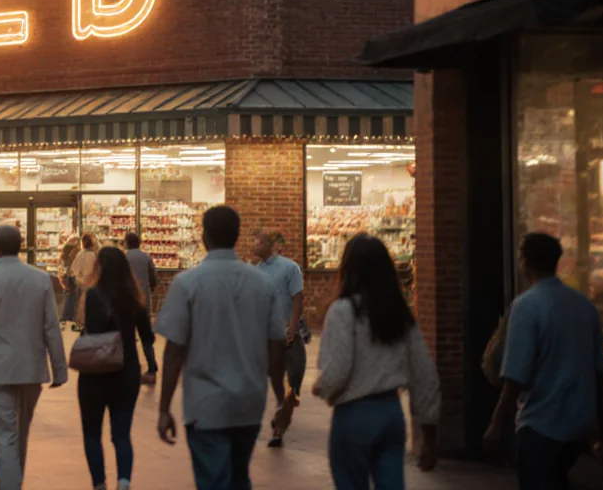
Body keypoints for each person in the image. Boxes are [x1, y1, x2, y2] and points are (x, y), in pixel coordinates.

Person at [155, 206, 291, 490]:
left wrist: (165, 407)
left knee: (214, 480)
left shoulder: (188, 283)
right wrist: (279, 397)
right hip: (249, 401)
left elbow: (174, 350)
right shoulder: (262, 283)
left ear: (204, 237)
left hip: (207, 404)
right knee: (239, 475)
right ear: (237, 236)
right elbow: (276, 343)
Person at [314, 233, 440, 488]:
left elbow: (338, 369)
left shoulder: (343, 311)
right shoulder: (400, 314)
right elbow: (423, 372)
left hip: (353, 415)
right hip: (391, 412)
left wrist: (321, 387)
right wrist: (429, 430)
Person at [486, 232, 603, 490]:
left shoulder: (526, 306)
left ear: (525, 263)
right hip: (579, 426)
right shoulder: (584, 306)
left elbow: (515, 374)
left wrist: (496, 423)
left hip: (541, 425)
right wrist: (598, 427)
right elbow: (600, 371)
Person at [0, 224, 68, 489]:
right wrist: (59, 369)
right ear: (20, 246)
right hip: (31, 370)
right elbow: (51, 328)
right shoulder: (40, 279)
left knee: (5, 438)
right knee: (20, 436)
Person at [75, 246, 155, 490]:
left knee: (91, 433)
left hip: (94, 372)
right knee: (121, 434)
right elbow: (148, 337)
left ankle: (99, 483)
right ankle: (124, 482)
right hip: (126, 370)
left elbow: (87, 326)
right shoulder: (135, 298)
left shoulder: (91, 296)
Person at [251, 230, 308, 448]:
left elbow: (297, 299)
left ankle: (282, 418)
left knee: (293, 383)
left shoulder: (289, 267)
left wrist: (292, 328)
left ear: (270, 245)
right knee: (276, 384)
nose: (255, 245)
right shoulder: (256, 272)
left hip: (289, 335)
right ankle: (279, 429)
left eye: (258, 241)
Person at [123, 232, 160, 385]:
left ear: (126, 243)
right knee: (146, 337)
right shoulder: (146, 257)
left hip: (126, 302)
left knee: (128, 337)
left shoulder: (123, 257)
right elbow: (153, 279)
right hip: (143, 301)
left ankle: (131, 368)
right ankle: (152, 365)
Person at [70, 234, 98, 331]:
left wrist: (78, 278)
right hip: (91, 283)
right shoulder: (94, 255)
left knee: (81, 305)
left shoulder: (81, 254)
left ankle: (81, 324)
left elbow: (74, 269)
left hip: (81, 283)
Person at [59, 237, 82, 327]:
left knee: (69, 297)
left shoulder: (65, 255)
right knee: (72, 298)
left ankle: (67, 317)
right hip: (71, 277)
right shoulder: (73, 254)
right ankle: (67, 317)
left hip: (67, 277)